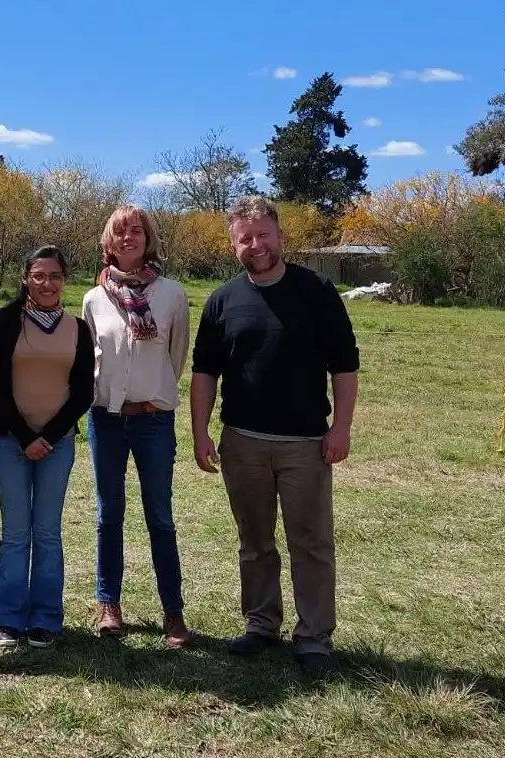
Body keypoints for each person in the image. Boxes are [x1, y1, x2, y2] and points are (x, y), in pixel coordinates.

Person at [189, 195, 359, 677]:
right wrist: (200, 432)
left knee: (311, 542)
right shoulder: (223, 300)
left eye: (264, 235)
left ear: (281, 236)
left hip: (305, 443)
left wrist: (341, 428)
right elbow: (205, 372)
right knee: (255, 540)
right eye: (246, 238)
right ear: (232, 245)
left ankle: (314, 638)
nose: (256, 245)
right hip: (241, 441)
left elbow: (345, 366)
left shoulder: (317, 291)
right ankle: (261, 623)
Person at [82, 204, 192, 648]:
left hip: (153, 420)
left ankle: (173, 612)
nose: (128, 239)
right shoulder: (93, 299)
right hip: (105, 419)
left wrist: (155, 392)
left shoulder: (171, 294)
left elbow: (177, 357)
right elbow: (91, 359)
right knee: (109, 515)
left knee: (160, 517)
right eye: (119, 233)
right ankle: (108, 605)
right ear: (108, 242)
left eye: (137, 232)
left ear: (148, 240)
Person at [0, 246, 95, 649]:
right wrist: (26, 437)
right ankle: (9, 619)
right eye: (39, 276)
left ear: (65, 279)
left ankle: (45, 618)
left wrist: (48, 437)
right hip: (11, 442)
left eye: (55, 276)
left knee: (47, 532)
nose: (47, 283)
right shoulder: (4, 321)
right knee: (15, 533)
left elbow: (83, 392)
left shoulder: (78, 329)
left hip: (58, 446)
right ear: (26, 278)